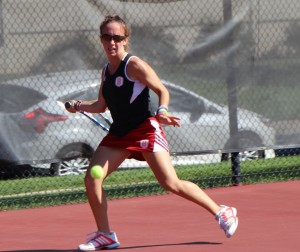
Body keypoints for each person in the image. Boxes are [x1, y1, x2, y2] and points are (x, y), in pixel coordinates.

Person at [66, 15, 238, 251]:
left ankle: (222, 211)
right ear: (101, 39)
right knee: (92, 179)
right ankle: (105, 235)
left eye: (117, 37)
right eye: (107, 36)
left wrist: (163, 111)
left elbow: (161, 90)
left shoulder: (134, 65)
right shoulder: (107, 71)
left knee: (170, 183)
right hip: (120, 134)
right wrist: (78, 105)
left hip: (145, 129)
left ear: (125, 40)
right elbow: (101, 106)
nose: (112, 42)